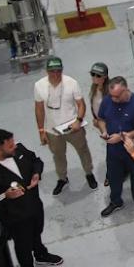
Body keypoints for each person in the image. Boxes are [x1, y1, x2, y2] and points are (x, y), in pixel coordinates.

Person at [0, 129, 62, 267]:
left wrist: (36, 173)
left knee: (36, 232)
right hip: (15, 218)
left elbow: (36, 161)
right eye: (10, 146)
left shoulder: (19, 149)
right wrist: (5, 196)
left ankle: (41, 254)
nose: (14, 146)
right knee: (23, 245)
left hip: (34, 205)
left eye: (13, 142)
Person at [33, 56, 96, 195]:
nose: (55, 74)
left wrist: (78, 120)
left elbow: (81, 104)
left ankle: (89, 173)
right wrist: (41, 131)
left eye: (58, 71)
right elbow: (39, 109)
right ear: (47, 71)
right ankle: (62, 178)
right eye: (52, 71)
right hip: (52, 130)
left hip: (72, 126)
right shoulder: (39, 86)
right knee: (58, 155)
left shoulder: (71, 83)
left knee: (83, 150)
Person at [96, 76, 134, 216]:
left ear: (126, 90)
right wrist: (104, 131)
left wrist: (123, 136)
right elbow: (101, 119)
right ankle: (116, 201)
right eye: (112, 96)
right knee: (113, 177)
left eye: (117, 96)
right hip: (113, 150)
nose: (114, 99)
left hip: (133, 149)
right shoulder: (107, 100)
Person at [88, 61, 111, 187]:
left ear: (105, 77)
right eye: (93, 74)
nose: (94, 77)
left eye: (98, 75)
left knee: (112, 150)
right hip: (101, 124)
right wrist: (96, 120)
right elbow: (94, 106)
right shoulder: (94, 88)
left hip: (110, 125)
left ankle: (111, 174)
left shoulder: (110, 91)